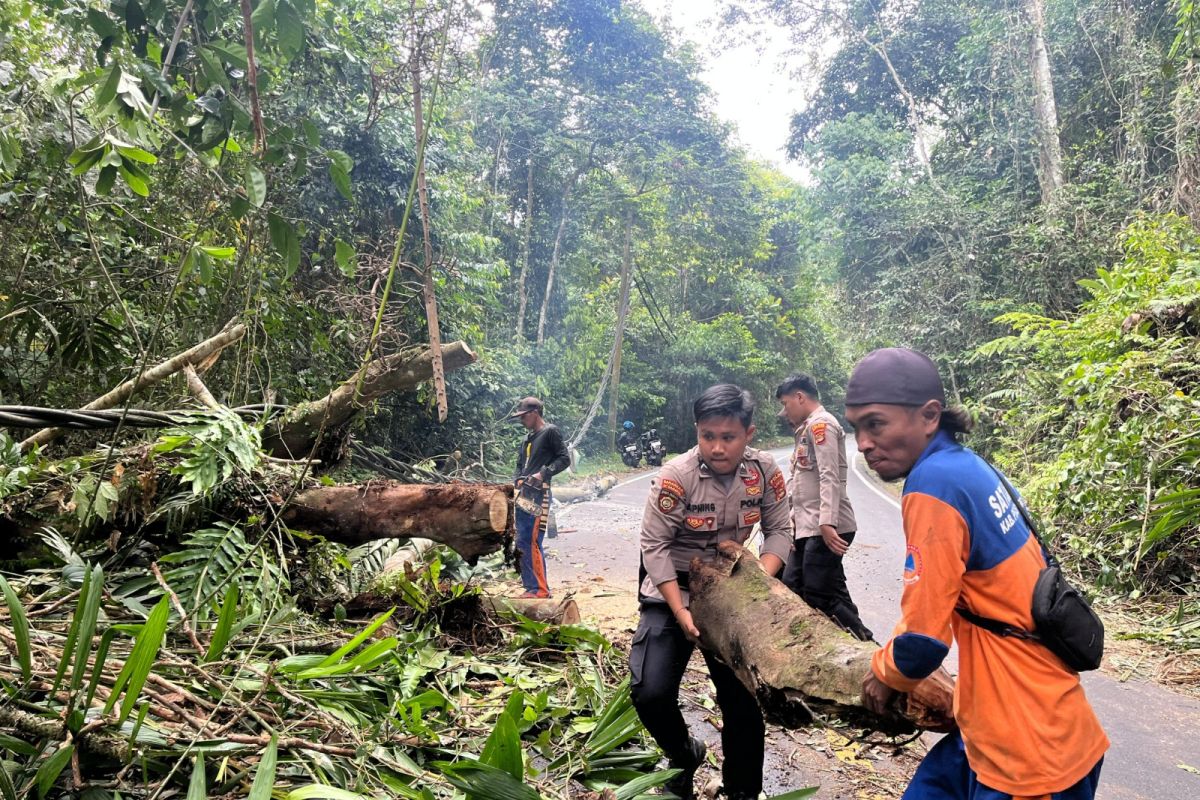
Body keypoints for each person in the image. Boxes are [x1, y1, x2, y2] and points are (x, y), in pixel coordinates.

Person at [845, 348, 1108, 800]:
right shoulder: (968, 466)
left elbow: (922, 643)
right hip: (998, 723)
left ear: (929, 416)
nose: (864, 443)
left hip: (1026, 750)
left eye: (875, 424)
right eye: (857, 428)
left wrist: (881, 672)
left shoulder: (933, 486)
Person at [630, 384, 792, 800]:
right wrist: (682, 612)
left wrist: (758, 584)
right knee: (649, 692)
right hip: (673, 592)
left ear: (749, 434)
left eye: (728, 437)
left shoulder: (765, 473)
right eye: (708, 436)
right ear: (697, 431)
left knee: (743, 704)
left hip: (733, 592)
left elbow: (779, 532)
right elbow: (654, 547)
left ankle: (742, 793)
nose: (717, 447)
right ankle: (684, 754)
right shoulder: (675, 477)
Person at [775, 374, 873, 641]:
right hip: (808, 527)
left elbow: (829, 476)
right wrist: (791, 525)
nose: (784, 412)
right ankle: (853, 640)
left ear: (800, 397)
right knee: (793, 585)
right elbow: (800, 487)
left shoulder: (822, 426)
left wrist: (827, 523)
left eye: (785, 404)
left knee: (819, 593)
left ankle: (863, 644)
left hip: (825, 526)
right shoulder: (806, 429)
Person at [510, 396, 570, 599]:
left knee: (533, 540)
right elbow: (520, 465)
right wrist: (517, 480)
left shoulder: (550, 432)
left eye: (524, 416)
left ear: (534, 413)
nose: (521, 420)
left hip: (539, 494)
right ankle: (530, 587)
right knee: (521, 541)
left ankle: (541, 589)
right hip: (523, 494)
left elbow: (564, 458)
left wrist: (543, 473)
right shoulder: (527, 439)